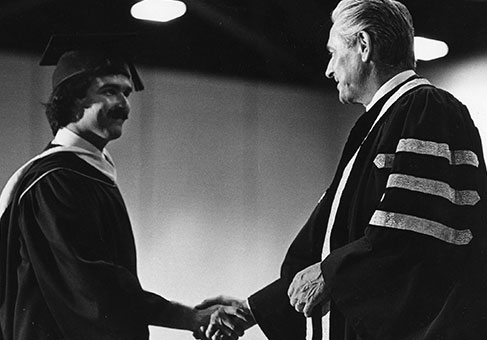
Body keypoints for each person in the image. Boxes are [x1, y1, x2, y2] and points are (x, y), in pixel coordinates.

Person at [197, 0, 487, 339]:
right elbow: (331, 252)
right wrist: (252, 309)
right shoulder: (379, 124)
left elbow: (415, 232)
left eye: (334, 53)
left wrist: (330, 275)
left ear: (363, 45)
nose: (328, 69)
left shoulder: (426, 108)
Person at [0, 33, 249, 340]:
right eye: (109, 91)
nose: (124, 106)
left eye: (127, 93)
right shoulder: (56, 180)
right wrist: (188, 317)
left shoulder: (87, 172)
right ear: (71, 100)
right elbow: (93, 286)